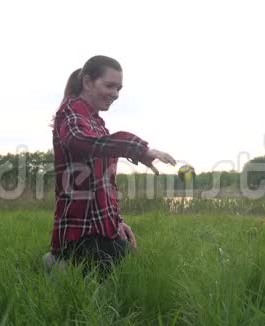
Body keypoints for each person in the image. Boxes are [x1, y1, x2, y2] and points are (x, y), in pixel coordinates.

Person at [43, 55, 176, 278]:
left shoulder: (97, 123)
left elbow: (107, 184)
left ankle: (61, 261)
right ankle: (57, 261)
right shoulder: (69, 115)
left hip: (102, 225)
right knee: (106, 283)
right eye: (109, 86)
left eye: (119, 88)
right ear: (87, 82)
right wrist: (138, 149)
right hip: (81, 228)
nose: (115, 94)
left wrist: (118, 223)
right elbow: (84, 142)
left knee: (130, 266)